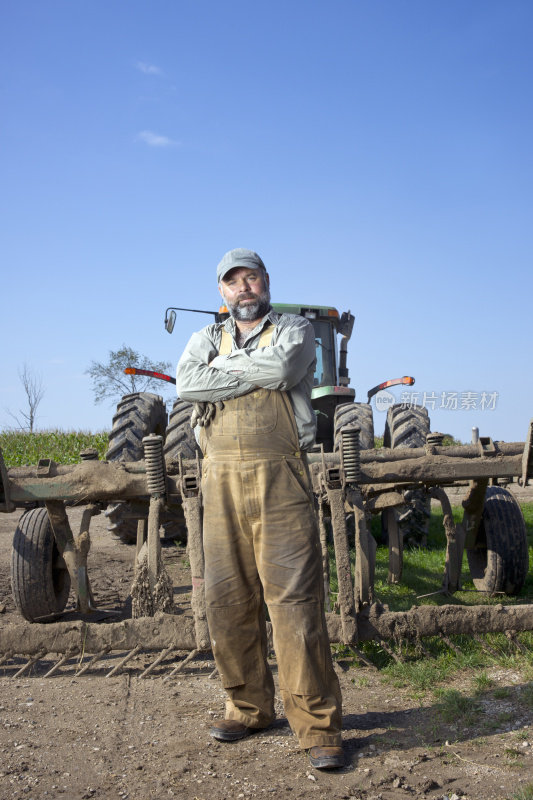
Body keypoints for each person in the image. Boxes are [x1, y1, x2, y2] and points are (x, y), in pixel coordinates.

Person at [176, 248, 344, 770]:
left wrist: (224, 371)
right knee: (227, 601)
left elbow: (285, 367)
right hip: (218, 476)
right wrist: (249, 370)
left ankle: (317, 727)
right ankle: (247, 708)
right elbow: (187, 382)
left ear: (265, 283)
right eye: (233, 282)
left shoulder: (295, 329)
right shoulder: (204, 339)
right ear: (222, 292)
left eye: (252, 279)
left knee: (294, 604)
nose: (243, 288)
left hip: (281, 475)